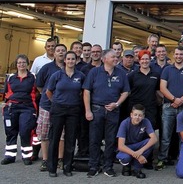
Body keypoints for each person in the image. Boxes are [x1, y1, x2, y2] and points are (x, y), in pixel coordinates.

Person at [83, 49, 130, 177]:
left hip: (113, 111)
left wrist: (117, 103)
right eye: (113, 57)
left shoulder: (121, 73)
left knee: (110, 140)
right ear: (104, 59)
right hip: (97, 109)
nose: (116, 59)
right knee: (94, 139)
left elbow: (125, 91)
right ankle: (94, 166)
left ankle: (108, 166)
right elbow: (86, 91)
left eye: (116, 56)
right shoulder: (94, 72)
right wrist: (88, 110)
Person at [45, 51, 85, 177]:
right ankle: (52, 168)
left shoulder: (81, 76)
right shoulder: (57, 75)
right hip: (58, 110)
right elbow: (48, 91)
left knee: (70, 139)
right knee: (54, 138)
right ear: (65, 60)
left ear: (75, 60)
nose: (71, 61)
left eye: (73, 59)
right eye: (68, 59)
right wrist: (56, 102)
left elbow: (83, 92)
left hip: (73, 110)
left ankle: (67, 167)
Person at [157, 46, 183, 170]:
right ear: (174, 55)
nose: (179, 56)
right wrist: (174, 99)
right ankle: (162, 159)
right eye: (177, 54)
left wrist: (181, 100)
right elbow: (162, 88)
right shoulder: (167, 69)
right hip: (169, 106)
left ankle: (182, 160)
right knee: (165, 136)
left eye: (181, 54)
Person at [35, 43, 66, 172]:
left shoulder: (70, 68)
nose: (60, 52)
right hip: (47, 106)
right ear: (54, 53)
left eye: (63, 51)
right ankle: (45, 160)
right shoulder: (46, 68)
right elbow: (40, 86)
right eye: (58, 50)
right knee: (45, 134)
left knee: (62, 135)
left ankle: (59, 160)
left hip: (63, 107)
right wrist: (51, 99)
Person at [2, 54, 37, 165]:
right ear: (16, 64)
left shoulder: (33, 77)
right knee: (10, 132)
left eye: (23, 62)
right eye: (19, 62)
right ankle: (9, 156)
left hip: (27, 107)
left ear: (27, 64)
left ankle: (26, 156)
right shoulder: (10, 77)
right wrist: (5, 104)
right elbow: (5, 92)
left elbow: (38, 92)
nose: (21, 64)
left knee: (25, 131)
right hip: (12, 107)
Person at [116, 104, 157, 179]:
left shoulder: (146, 121)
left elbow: (154, 138)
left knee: (149, 142)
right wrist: (138, 155)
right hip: (126, 147)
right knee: (126, 157)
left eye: (140, 115)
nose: (137, 117)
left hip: (137, 145)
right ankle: (126, 167)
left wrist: (140, 151)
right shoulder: (124, 123)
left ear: (143, 116)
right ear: (131, 115)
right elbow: (120, 146)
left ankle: (137, 168)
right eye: (135, 115)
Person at [127, 50, 161, 130]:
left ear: (150, 60)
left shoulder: (156, 75)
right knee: (135, 130)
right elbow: (127, 92)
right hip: (136, 108)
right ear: (139, 61)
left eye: (147, 59)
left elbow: (158, 91)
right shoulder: (132, 75)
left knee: (149, 131)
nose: (145, 61)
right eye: (142, 59)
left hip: (150, 109)